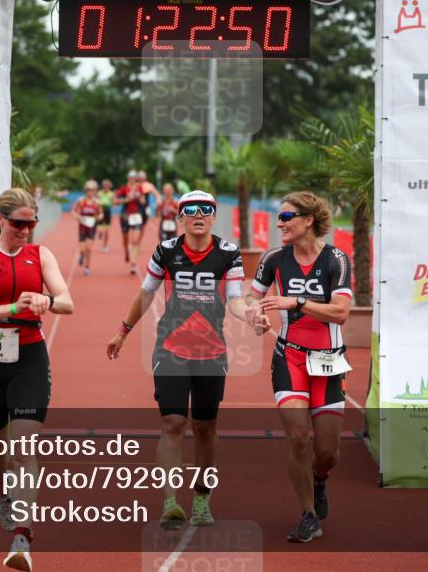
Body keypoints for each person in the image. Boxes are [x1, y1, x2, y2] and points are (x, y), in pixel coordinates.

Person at [106, 190, 269, 530]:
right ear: (179, 217)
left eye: (205, 209)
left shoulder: (228, 253)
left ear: (213, 216)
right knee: (173, 424)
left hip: (211, 352)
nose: (198, 214)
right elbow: (147, 293)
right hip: (171, 348)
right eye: (190, 210)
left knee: (206, 429)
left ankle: (201, 498)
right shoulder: (166, 251)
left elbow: (236, 300)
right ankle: (170, 502)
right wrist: (123, 330)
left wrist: (251, 316)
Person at [0, 188, 74, 572]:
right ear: (2, 220)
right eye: (19, 224)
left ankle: (22, 537)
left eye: (32, 224)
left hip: (29, 358)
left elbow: (67, 301)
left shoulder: (40, 255)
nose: (26, 231)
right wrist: (13, 306)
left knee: (23, 446)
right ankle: (2, 492)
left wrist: (46, 301)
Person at [246, 191, 353, 544]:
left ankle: (319, 480)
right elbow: (252, 296)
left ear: (308, 220)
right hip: (289, 356)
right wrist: (255, 313)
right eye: (279, 218)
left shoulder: (337, 258)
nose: (280, 223)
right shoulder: (274, 258)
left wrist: (297, 302)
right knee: (298, 438)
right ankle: (308, 514)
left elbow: (339, 312)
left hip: (328, 359)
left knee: (327, 453)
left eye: (287, 217)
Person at [116, 171, 146, 274]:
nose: (133, 179)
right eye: (131, 177)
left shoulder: (139, 188)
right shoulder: (124, 188)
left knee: (135, 240)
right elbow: (115, 201)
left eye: (134, 177)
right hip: (125, 215)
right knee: (125, 239)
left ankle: (133, 263)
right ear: (128, 178)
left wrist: (140, 199)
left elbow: (143, 201)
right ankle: (126, 251)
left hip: (137, 215)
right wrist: (127, 200)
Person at [71, 180, 102, 276]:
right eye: (89, 190)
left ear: (95, 191)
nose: (90, 192)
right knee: (82, 249)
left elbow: (101, 214)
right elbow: (73, 210)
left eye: (92, 190)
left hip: (92, 227)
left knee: (88, 248)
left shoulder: (97, 202)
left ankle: (87, 267)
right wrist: (77, 217)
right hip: (82, 228)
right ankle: (82, 255)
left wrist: (99, 217)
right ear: (86, 190)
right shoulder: (81, 200)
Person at [97, 179, 115, 253]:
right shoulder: (99, 193)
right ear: (103, 186)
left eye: (107, 186)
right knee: (100, 229)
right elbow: (96, 201)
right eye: (105, 186)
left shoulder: (111, 194)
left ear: (109, 187)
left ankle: (104, 246)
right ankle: (100, 232)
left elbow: (113, 202)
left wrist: (114, 204)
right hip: (100, 210)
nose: (106, 187)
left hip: (107, 211)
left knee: (107, 231)